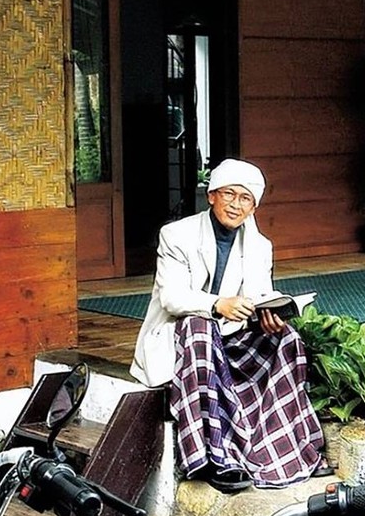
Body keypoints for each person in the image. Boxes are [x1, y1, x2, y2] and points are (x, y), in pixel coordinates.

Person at [130, 158, 331, 493]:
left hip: (229, 338)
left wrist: (268, 313)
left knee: (287, 338)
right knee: (199, 327)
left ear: (253, 207)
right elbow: (173, 299)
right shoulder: (176, 235)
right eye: (229, 195)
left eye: (245, 199)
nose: (236, 205)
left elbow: (257, 294)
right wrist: (217, 304)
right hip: (183, 339)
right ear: (211, 195)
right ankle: (210, 457)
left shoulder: (259, 245)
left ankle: (289, 446)